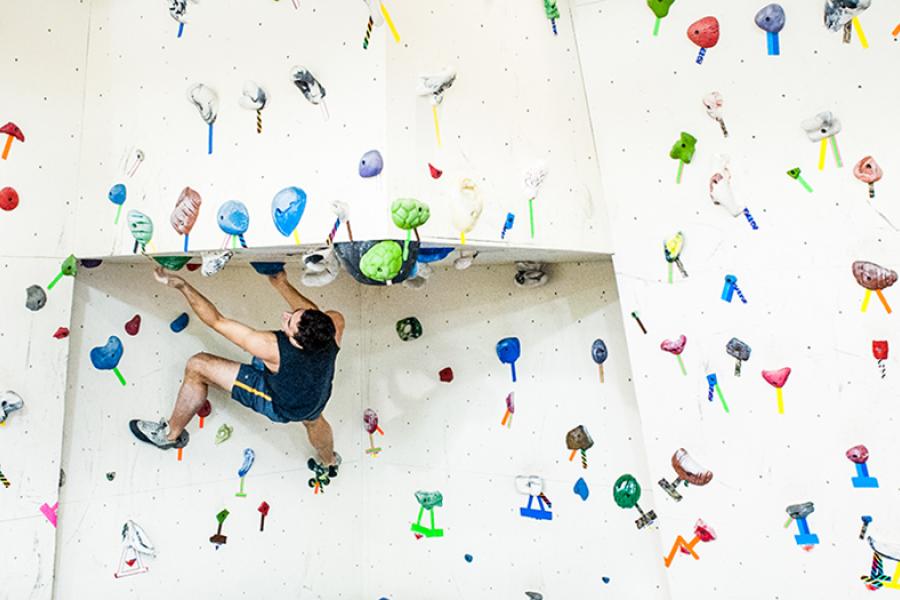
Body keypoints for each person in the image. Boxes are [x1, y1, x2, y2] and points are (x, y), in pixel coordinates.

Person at [129, 266, 344, 474]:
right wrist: (281, 283)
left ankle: (169, 436)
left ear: (297, 344)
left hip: (281, 403)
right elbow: (314, 314)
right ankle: (329, 460)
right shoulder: (334, 324)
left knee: (197, 365)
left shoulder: (270, 348)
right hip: (316, 395)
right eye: (295, 313)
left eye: (289, 323)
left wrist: (183, 286)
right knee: (314, 420)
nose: (286, 314)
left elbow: (216, 321)